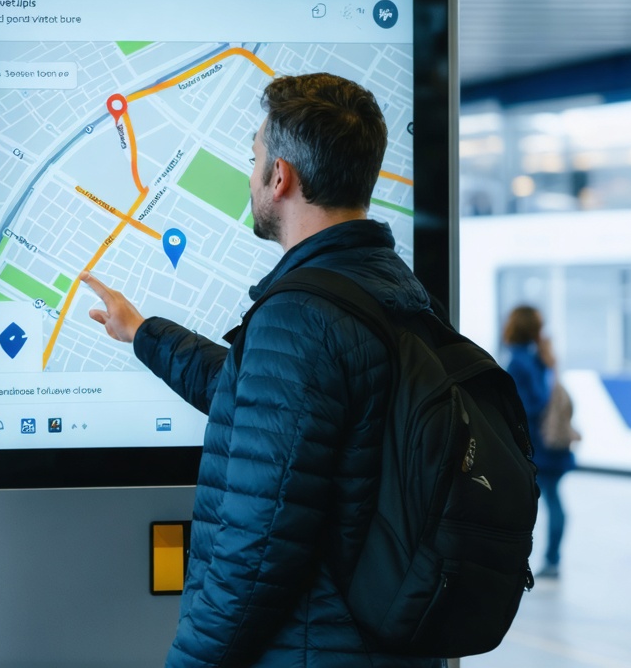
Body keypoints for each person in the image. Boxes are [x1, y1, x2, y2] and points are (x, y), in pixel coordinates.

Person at [84, 72, 443, 668]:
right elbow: (262, 400)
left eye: (254, 157)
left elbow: (254, 553)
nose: (250, 173)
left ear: (281, 177)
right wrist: (143, 332)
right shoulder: (395, 290)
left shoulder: (300, 315)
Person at [503, 304, 575, 580]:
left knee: (526, 503)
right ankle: (551, 559)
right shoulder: (538, 357)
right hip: (549, 445)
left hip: (537, 446)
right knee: (552, 499)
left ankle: (540, 560)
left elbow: (530, 405)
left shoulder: (518, 361)